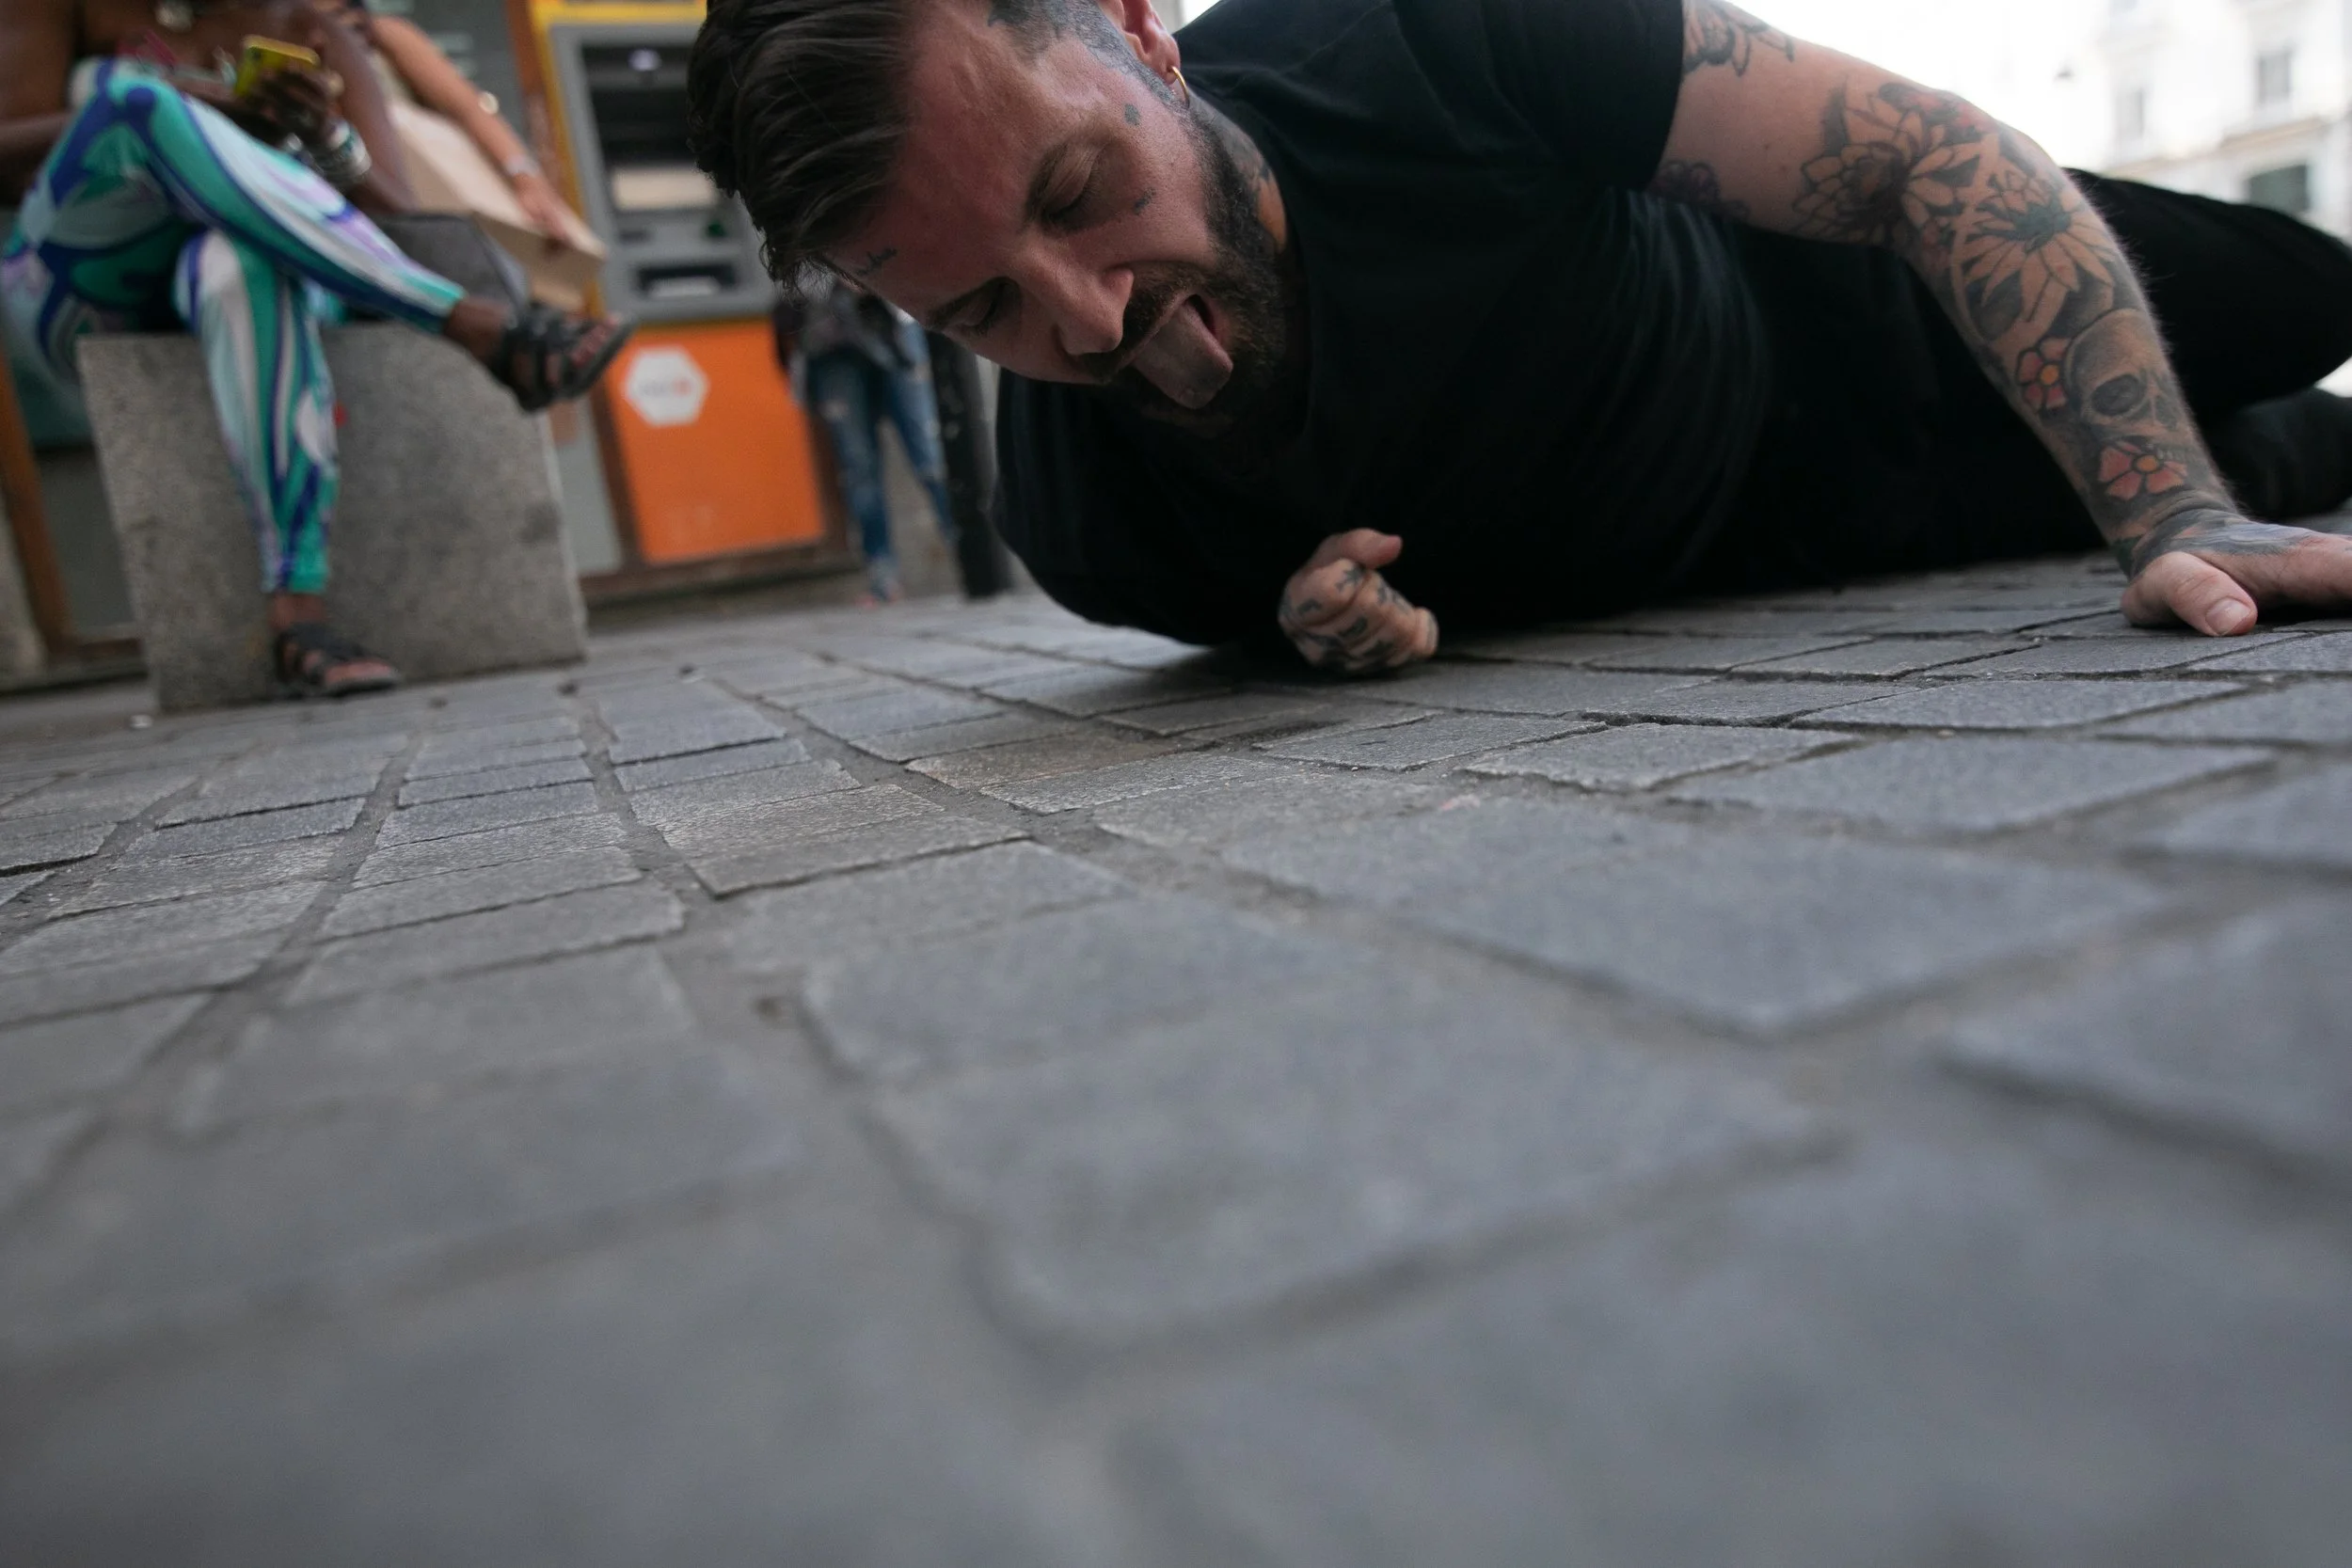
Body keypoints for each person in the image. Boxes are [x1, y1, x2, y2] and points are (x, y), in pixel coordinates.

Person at [683, 0, 2352, 674]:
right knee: (2300, 475)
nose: (1089, 315)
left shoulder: (1421, 35)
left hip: (1859, 305)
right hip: (1836, 529)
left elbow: (1921, 160)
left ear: (1138, 36)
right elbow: (1277, 630)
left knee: (2307, 294)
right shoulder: (1088, 522)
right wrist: (1307, 626)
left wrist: (2166, 500)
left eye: (1078, 189)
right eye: (979, 311)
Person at [1, 0, 631, 696]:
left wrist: (321, 133)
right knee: (139, 104)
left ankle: (298, 616)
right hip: (78, 283)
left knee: (241, 264)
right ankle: (476, 326)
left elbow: (395, 210)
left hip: (242, 269)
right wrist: (199, 111)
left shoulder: (308, 28)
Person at [774, 270, 957, 603]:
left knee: (930, 455)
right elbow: (782, 271)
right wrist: (837, 274)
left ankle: (971, 553)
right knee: (859, 467)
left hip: (894, 324)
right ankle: (882, 577)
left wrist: (871, 271)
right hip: (829, 341)